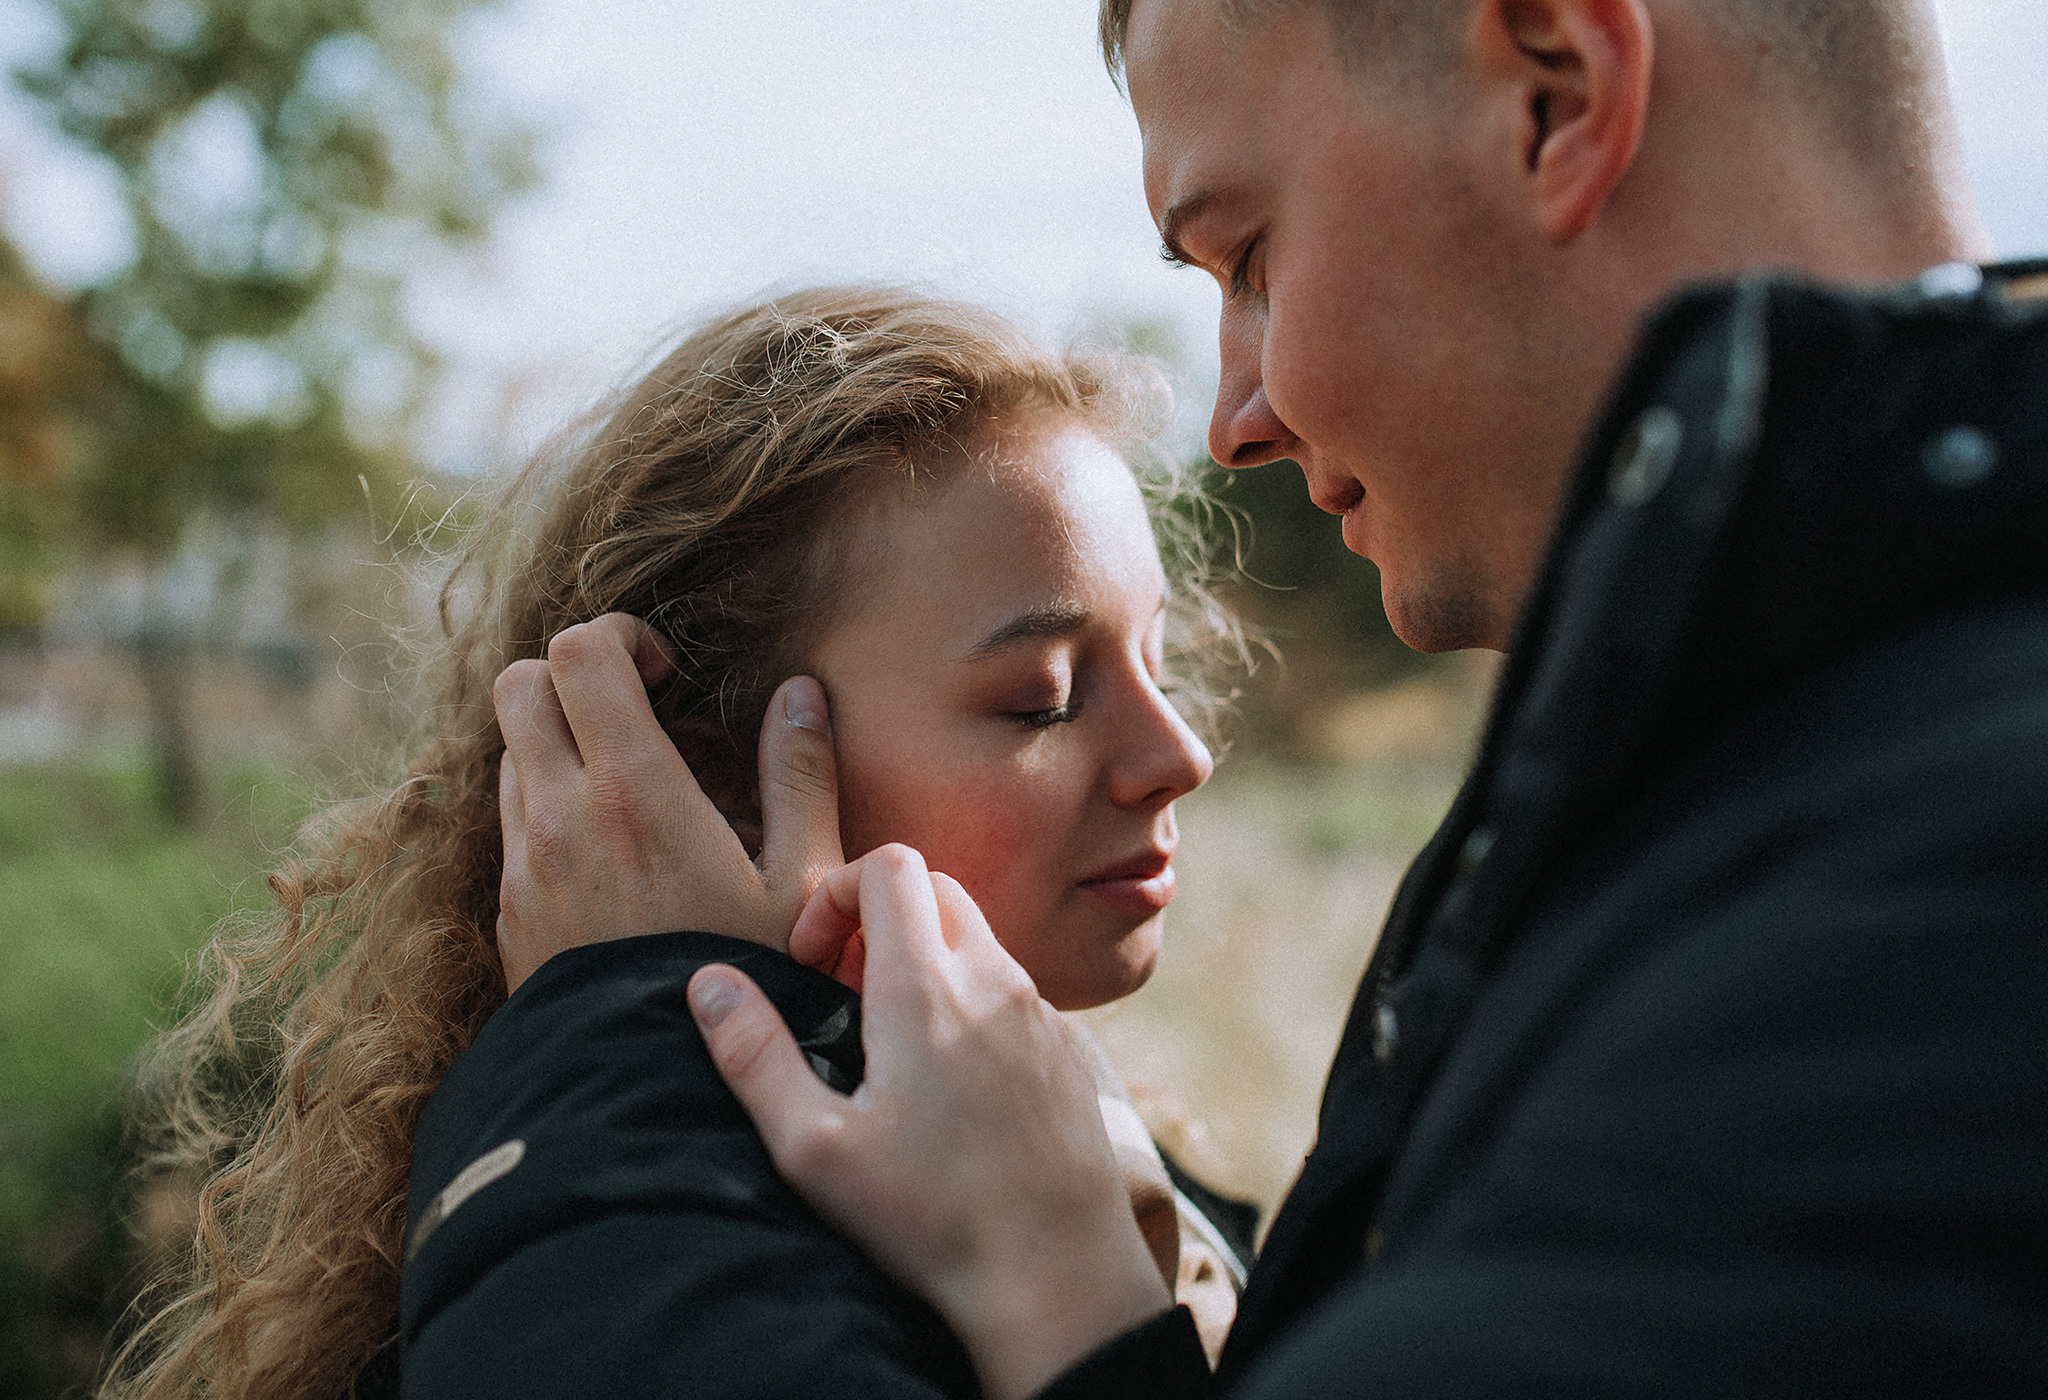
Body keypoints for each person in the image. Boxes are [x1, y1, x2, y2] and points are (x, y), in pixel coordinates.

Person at [461, 0, 2048, 1397]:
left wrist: (636, 1074)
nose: (1235, 418)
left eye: (1248, 254)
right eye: (1038, 695)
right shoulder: (1754, 790)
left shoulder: (1936, 897)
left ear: (1556, 88)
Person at [104, 286, 1263, 1400]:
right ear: (706, 786)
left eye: (1157, 661)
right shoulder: (607, 1306)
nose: (1178, 752)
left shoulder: (1136, 1183)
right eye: (1042, 698)